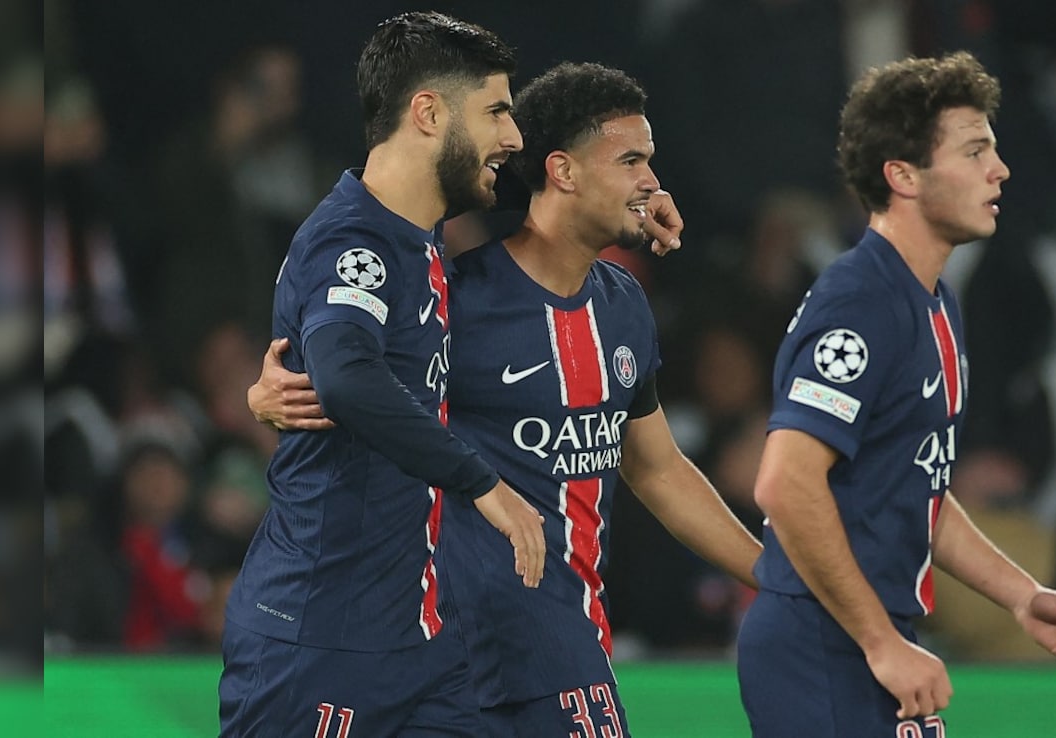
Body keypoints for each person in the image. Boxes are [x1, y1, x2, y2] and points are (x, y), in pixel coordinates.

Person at [249, 62, 762, 736]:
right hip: (449, 654)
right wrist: (268, 395)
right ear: (563, 171)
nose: (651, 180)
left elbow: (657, 468)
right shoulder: (457, 298)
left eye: (649, 161)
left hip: (568, 645)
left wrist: (771, 573)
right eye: (631, 161)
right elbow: (360, 390)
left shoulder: (623, 306)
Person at [738, 51, 1056, 737]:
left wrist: (1022, 597)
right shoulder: (860, 303)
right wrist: (881, 642)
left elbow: (918, 489)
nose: (999, 170)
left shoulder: (935, 301)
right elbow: (786, 484)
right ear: (903, 176)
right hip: (822, 647)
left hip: (865, 636)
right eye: (974, 152)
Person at [217, 13, 547, 737]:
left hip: (420, 640)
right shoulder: (353, 241)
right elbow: (346, 376)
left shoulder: (417, 242)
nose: (513, 136)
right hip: (319, 640)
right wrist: (482, 484)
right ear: (428, 113)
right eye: (496, 111)